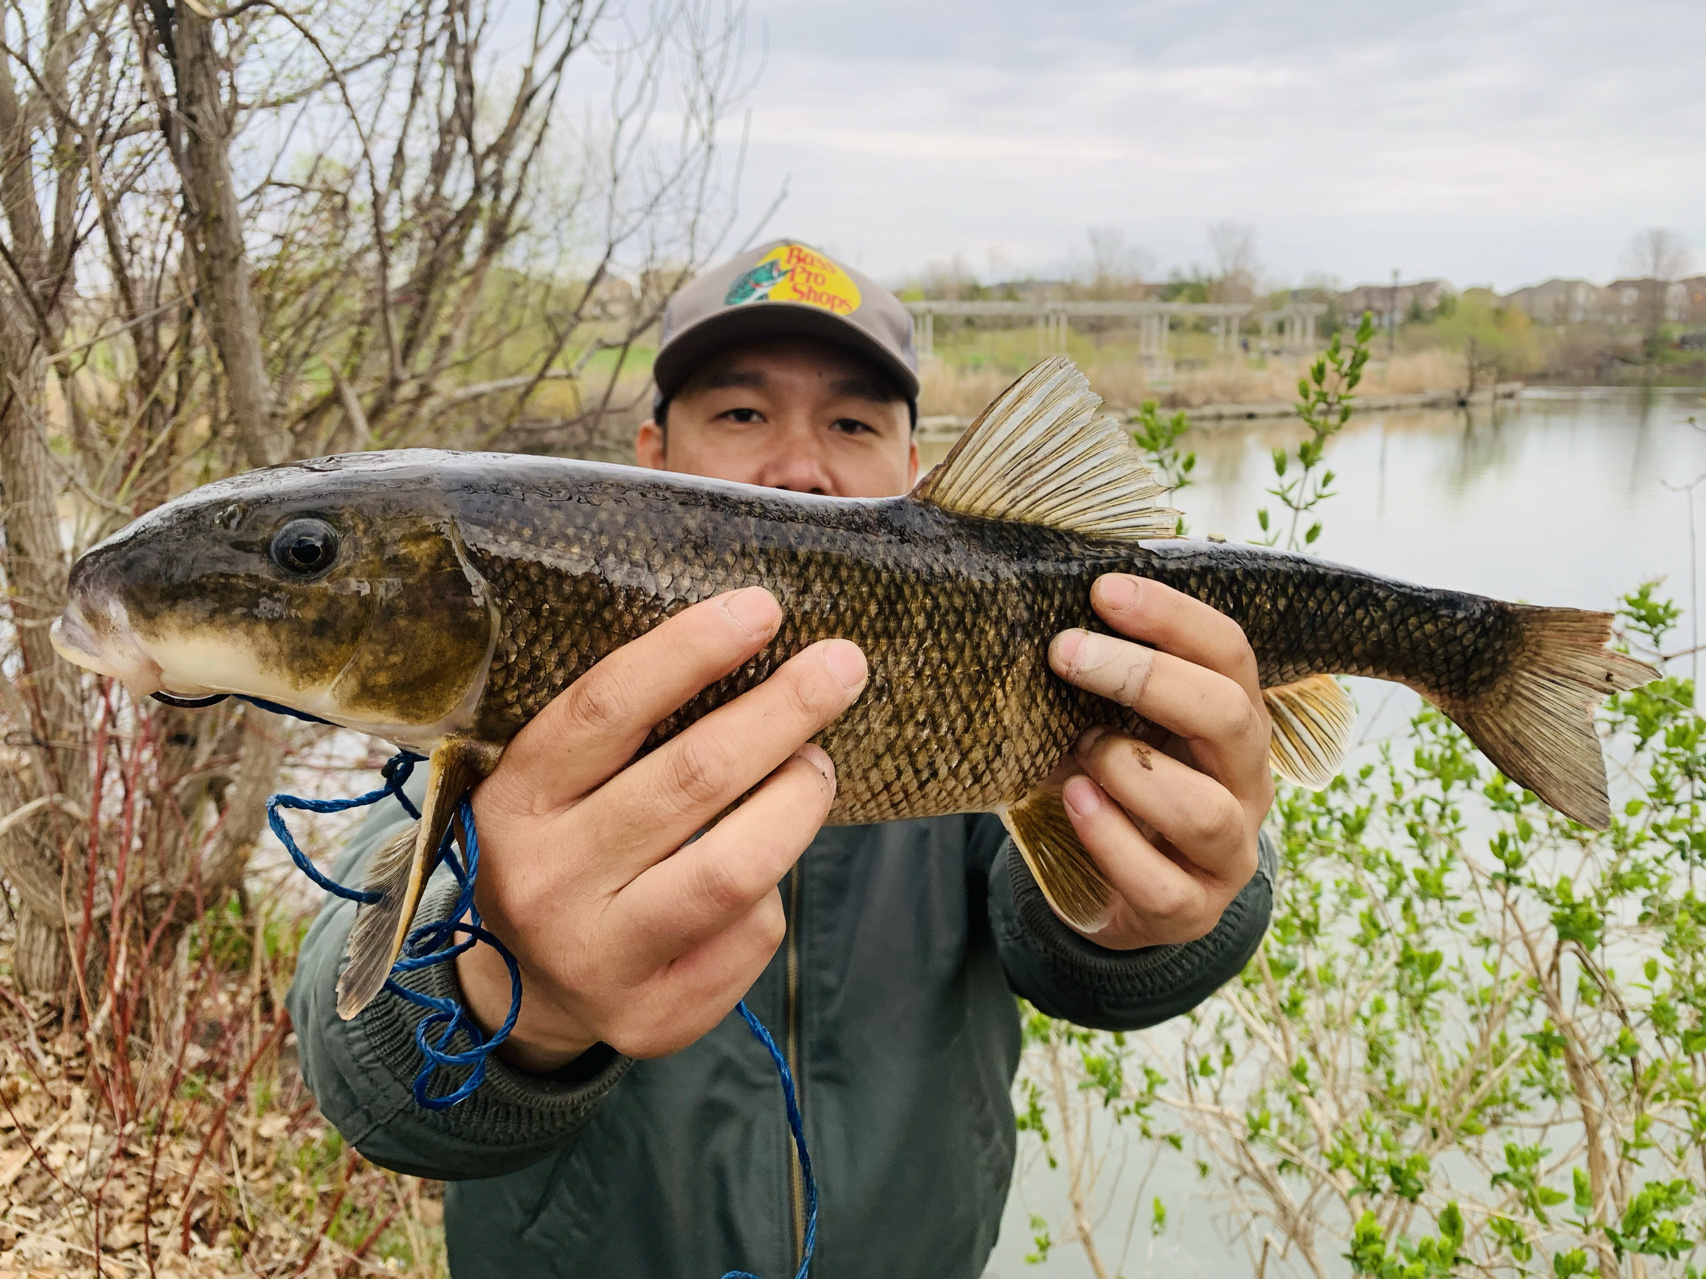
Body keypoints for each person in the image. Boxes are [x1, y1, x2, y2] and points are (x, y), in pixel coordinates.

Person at [288, 240, 1278, 1279]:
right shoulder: (523, 705)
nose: (799, 465)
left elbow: (1081, 959)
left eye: (851, 422)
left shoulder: (1026, 660)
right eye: (742, 414)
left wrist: (1174, 900)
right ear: (648, 460)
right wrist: (502, 987)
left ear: (913, 471)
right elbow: (362, 1056)